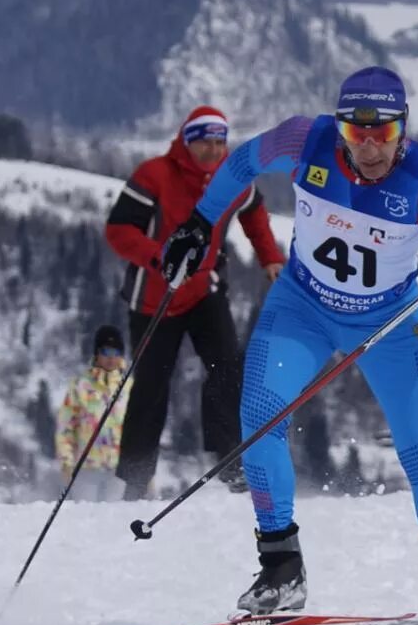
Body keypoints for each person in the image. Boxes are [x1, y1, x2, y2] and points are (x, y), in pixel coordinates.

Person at [161, 67, 418, 625]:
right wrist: (198, 223)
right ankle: (282, 569)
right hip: (302, 308)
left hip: (390, 325)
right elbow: (242, 163)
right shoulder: (307, 139)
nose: (370, 149)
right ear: (339, 127)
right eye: (356, 134)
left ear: (404, 128)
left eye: (384, 134)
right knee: (259, 419)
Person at [105, 105, 285, 500]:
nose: (214, 150)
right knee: (151, 385)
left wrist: (270, 257)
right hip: (154, 296)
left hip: (204, 289)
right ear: (187, 142)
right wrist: (158, 257)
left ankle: (231, 464)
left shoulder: (229, 179)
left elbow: (254, 213)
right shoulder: (154, 174)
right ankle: (136, 478)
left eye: (221, 142)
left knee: (228, 366)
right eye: (205, 141)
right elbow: (118, 231)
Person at [54, 324, 129, 502]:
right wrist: (66, 461)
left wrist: (145, 468)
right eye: (106, 351)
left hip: (119, 470)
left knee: (115, 518)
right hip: (86, 468)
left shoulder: (130, 387)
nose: (111, 358)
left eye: (116, 352)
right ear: (97, 354)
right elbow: (66, 426)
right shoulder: (80, 386)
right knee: (86, 519)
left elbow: (141, 429)